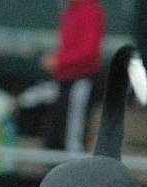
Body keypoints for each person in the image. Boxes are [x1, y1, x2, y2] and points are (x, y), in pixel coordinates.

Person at [40, 0, 106, 152]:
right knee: (56, 132)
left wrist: (59, 59)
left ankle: (75, 173)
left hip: (82, 79)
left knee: (73, 135)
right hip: (64, 80)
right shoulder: (70, 9)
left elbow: (89, 50)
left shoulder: (90, 9)